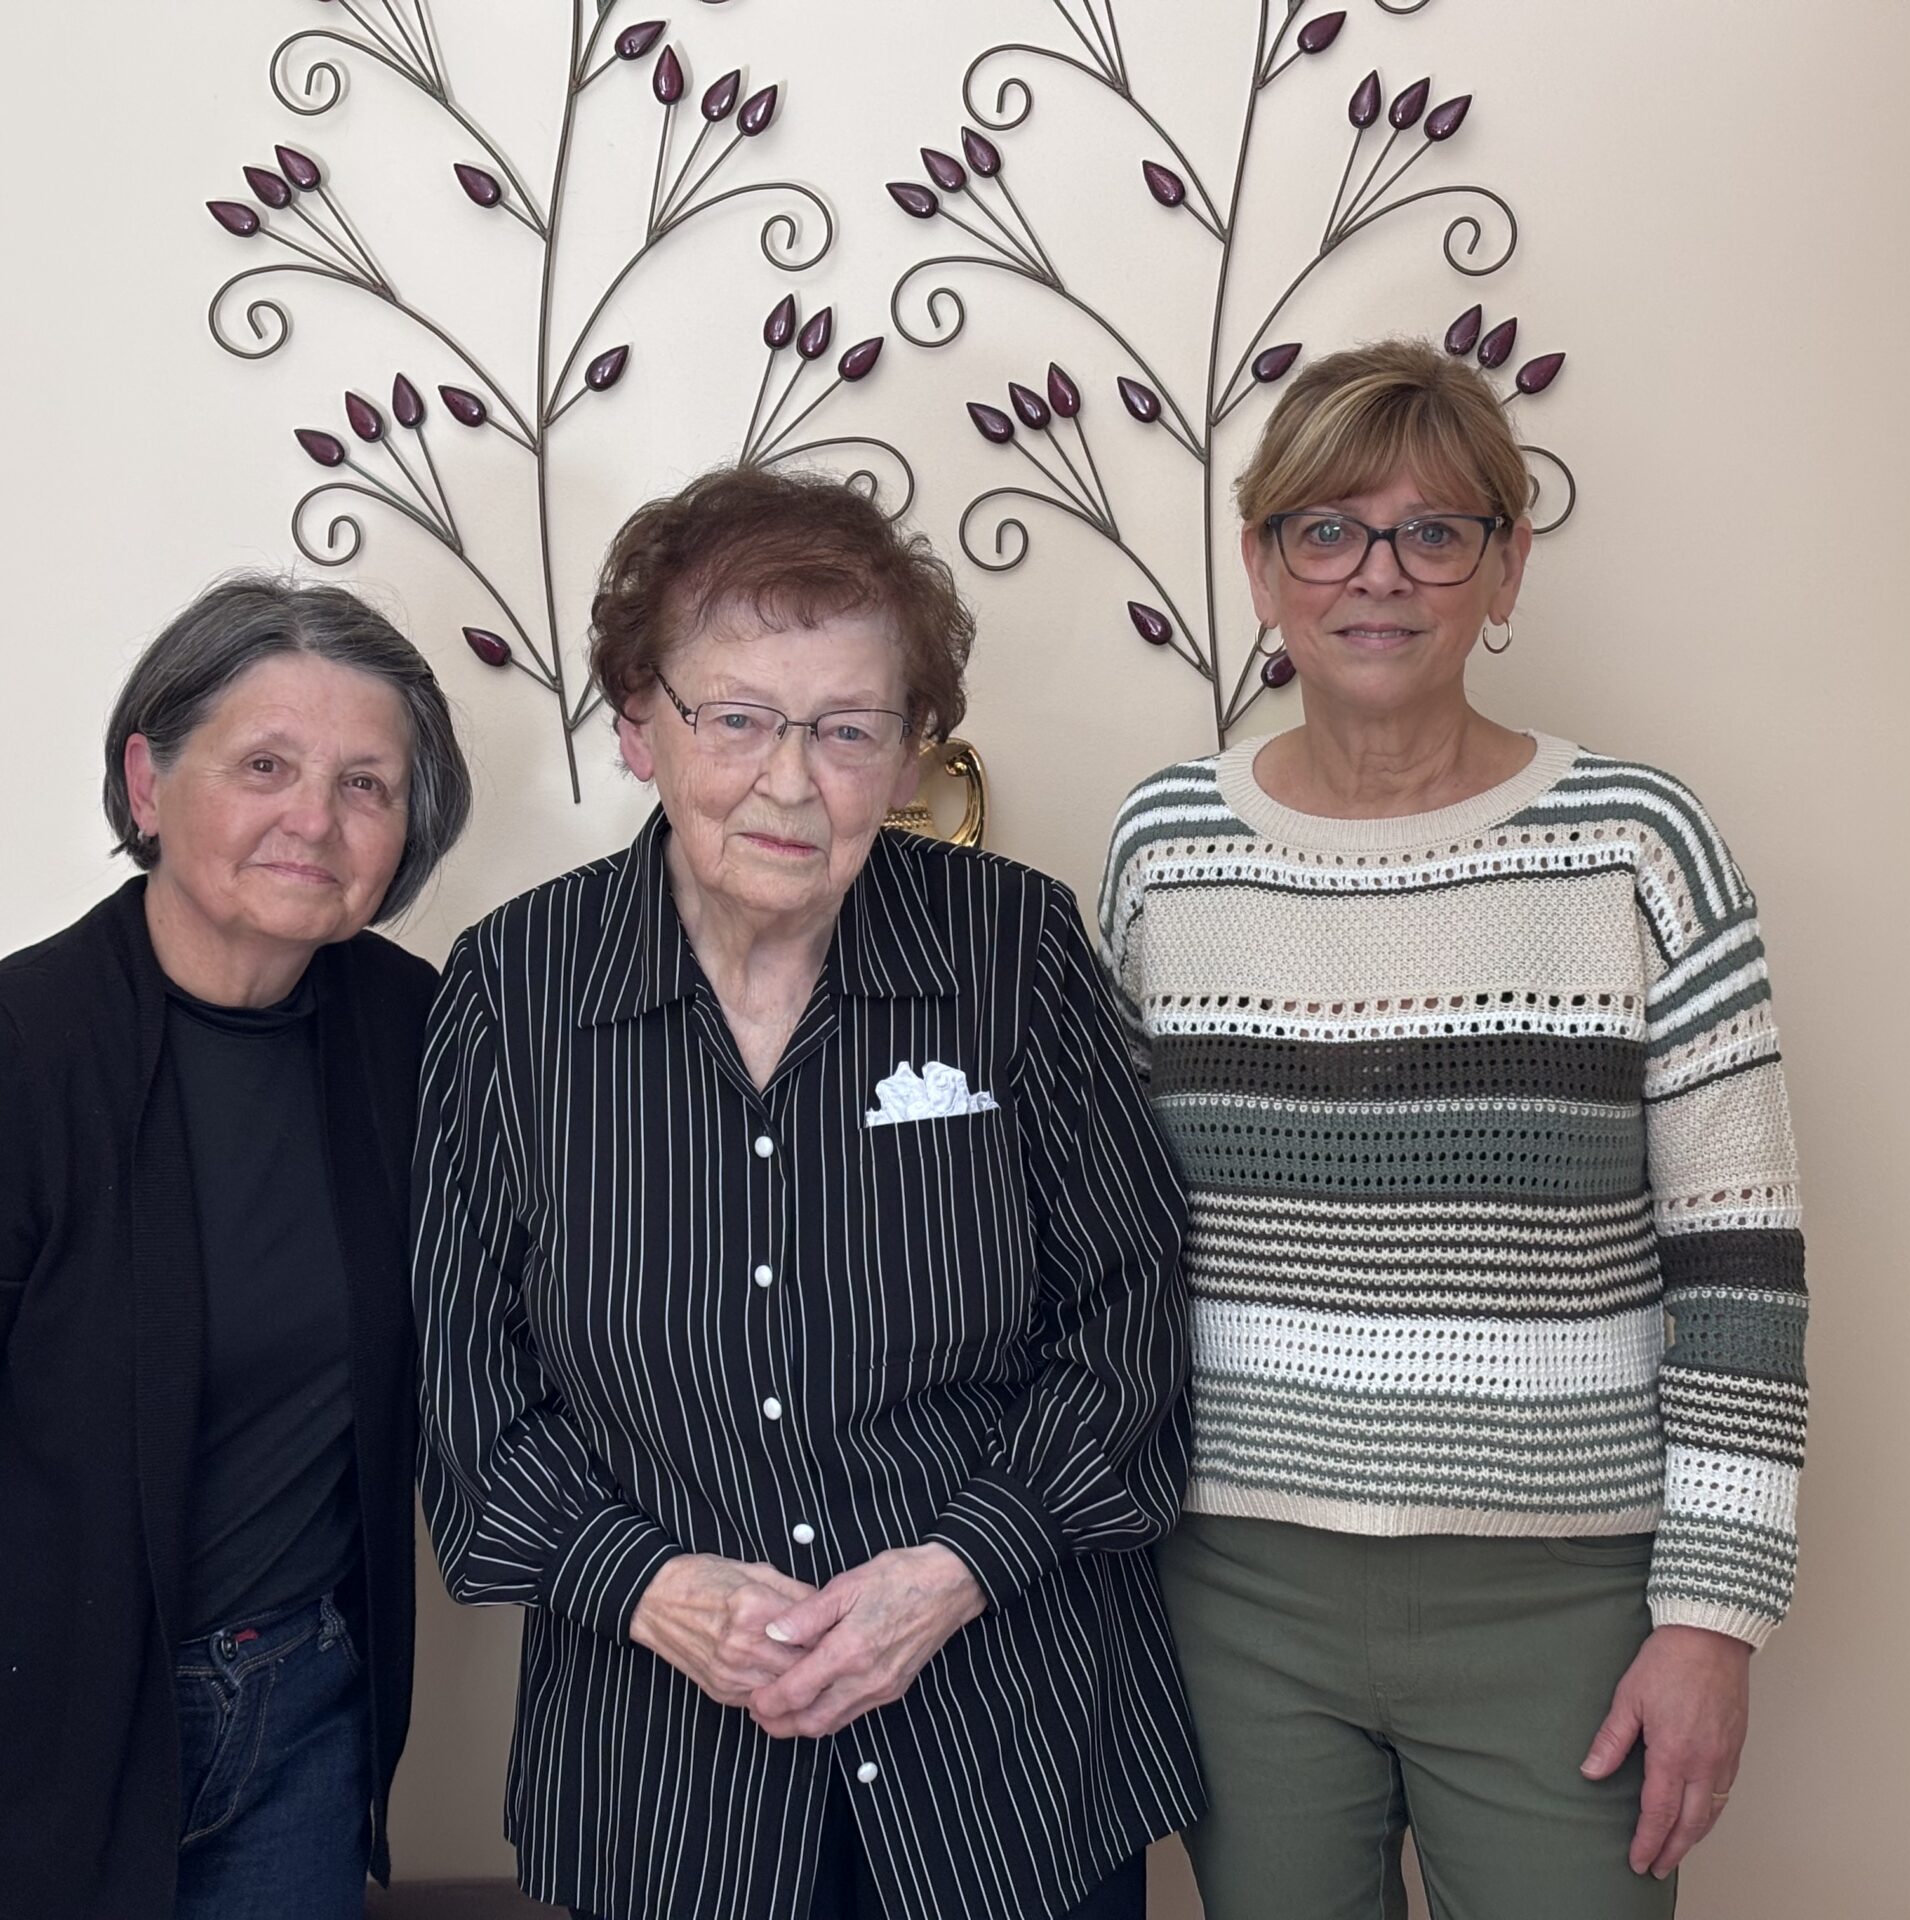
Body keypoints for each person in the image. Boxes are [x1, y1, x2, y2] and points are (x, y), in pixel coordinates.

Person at [412, 465, 1203, 1920]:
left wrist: (960, 1565)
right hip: (665, 1786)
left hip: (1009, 1748)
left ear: (911, 756)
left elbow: (1133, 1317)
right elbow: (468, 1386)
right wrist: (648, 1587)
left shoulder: (1011, 951)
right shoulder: (512, 992)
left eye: (848, 730)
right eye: (738, 719)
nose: (790, 780)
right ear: (640, 726)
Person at [1098, 339, 1805, 1920]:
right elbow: (1107, 1241)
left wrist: (1712, 1616)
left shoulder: (1638, 842)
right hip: (1236, 1595)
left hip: (1562, 1608)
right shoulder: (1166, 850)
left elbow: (1744, 1272)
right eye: (1328, 530)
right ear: (1262, 565)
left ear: (1506, 566)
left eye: (1436, 531)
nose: (1380, 575)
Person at [0, 577, 472, 1920]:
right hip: (46, 1728)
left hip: (304, 1717)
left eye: (367, 785)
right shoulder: (25, 1051)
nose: (314, 821)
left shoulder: (419, 1033)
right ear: (147, 783)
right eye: (266, 764)